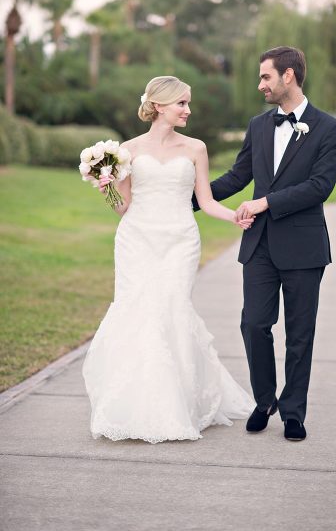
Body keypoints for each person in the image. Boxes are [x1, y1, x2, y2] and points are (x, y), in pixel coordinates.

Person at [82, 76, 256, 444]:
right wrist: (107, 188)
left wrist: (235, 217)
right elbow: (122, 207)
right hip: (136, 239)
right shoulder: (127, 150)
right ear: (159, 105)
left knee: (173, 309)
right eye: (181, 103)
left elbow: (205, 202)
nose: (188, 110)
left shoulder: (196, 148)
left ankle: (179, 405)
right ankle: (133, 405)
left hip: (180, 240)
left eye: (188, 103)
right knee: (137, 311)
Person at [194, 46, 336, 442]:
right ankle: (264, 401)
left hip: (304, 247)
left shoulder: (329, 128)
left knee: (300, 334)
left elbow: (320, 187)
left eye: (265, 77)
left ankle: (293, 412)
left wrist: (265, 202)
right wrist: (189, 197)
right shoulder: (259, 126)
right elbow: (237, 176)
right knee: (254, 324)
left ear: (288, 75)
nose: (260, 85)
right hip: (259, 245)